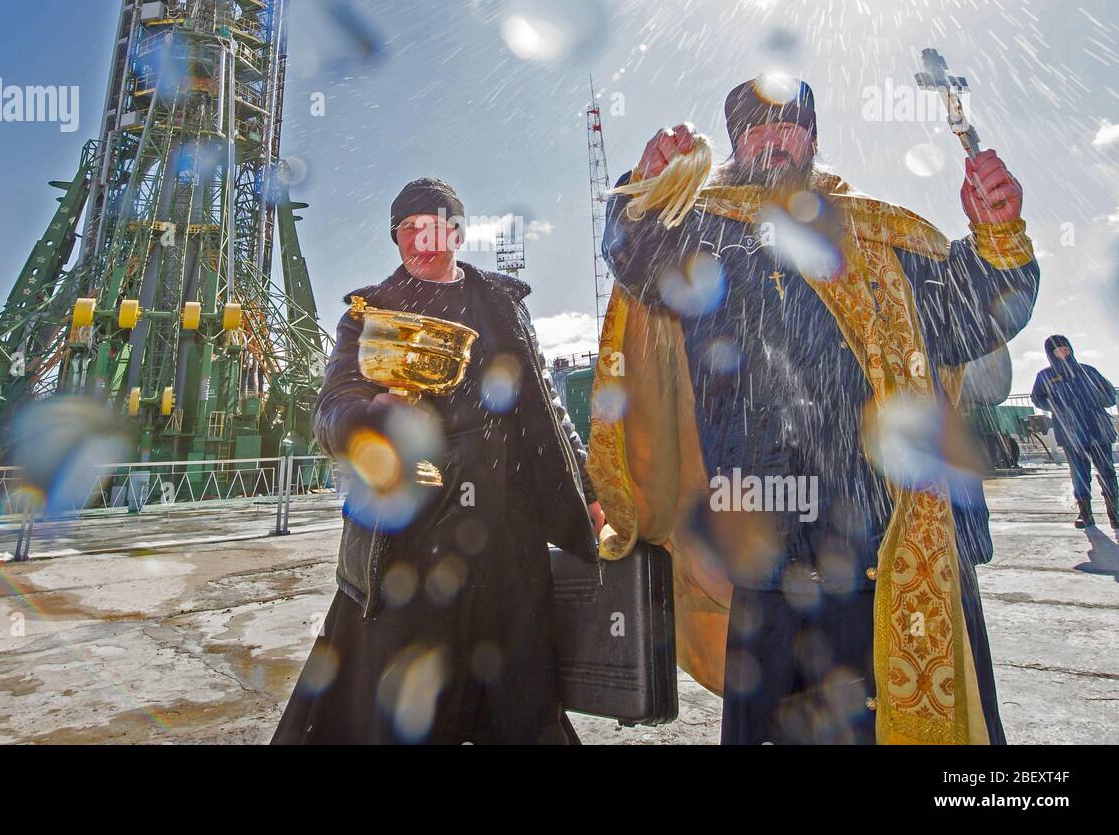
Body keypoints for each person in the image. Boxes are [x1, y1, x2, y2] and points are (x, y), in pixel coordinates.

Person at [592, 75, 1039, 745]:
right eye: (753, 129)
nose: (772, 140)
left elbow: (972, 317)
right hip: (770, 556)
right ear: (737, 144)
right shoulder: (709, 234)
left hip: (893, 545)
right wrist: (644, 186)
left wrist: (999, 231)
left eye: (788, 125)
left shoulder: (881, 234)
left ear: (814, 137)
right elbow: (634, 255)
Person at [272, 177, 602, 744]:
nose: (422, 241)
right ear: (395, 239)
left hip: (507, 533)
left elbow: (548, 409)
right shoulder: (368, 315)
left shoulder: (502, 306)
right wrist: (369, 413)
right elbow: (329, 412)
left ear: (458, 231)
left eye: (435, 226)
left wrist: (587, 492)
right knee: (404, 703)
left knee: (520, 695)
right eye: (409, 230)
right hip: (407, 536)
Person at [1031, 334, 1118, 530]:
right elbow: (1037, 398)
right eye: (1058, 350)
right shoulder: (1045, 376)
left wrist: (1096, 399)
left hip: (1098, 430)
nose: (1063, 352)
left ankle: (1115, 513)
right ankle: (1085, 514)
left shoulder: (1087, 371)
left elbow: (1110, 394)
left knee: (1107, 472)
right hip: (1071, 434)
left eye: (1065, 348)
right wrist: (1059, 405)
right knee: (1079, 475)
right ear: (1050, 354)